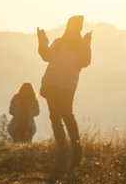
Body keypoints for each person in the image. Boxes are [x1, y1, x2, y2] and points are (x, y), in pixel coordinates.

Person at [37, 16, 92, 166]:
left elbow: (46, 56)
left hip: (53, 84)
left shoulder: (60, 43)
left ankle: (65, 151)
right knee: (65, 116)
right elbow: (85, 62)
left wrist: (42, 42)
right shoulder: (75, 45)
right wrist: (42, 41)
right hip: (64, 86)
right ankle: (74, 150)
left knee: (57, 117)